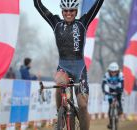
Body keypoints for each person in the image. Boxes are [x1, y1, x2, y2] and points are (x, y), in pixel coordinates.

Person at [33, 0, 104, 130]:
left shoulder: (83, 23)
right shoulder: (56, 23)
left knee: (82, 106)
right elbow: (39, 6)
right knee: (59, 83)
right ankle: (60, 115)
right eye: (65, 11)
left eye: (71, 11)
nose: (68, 13)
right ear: (62, 12)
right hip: (63, 67)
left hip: (79, 69)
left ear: (76, 12)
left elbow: (97, 5)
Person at [101, 62, 124, 129]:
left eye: (115, 72)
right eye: (112, 72)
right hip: (110, 89)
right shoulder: (106, 75)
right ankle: (111, 122)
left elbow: (122, 84)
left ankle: (120, 111)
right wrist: (104, 91)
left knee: (119, 99)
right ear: (109, 71)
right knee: (110, 104)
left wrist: (121, 90)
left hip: (118, 88)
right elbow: (103, 84)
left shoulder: (120, 74)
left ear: (117, 71)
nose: (113, 73)